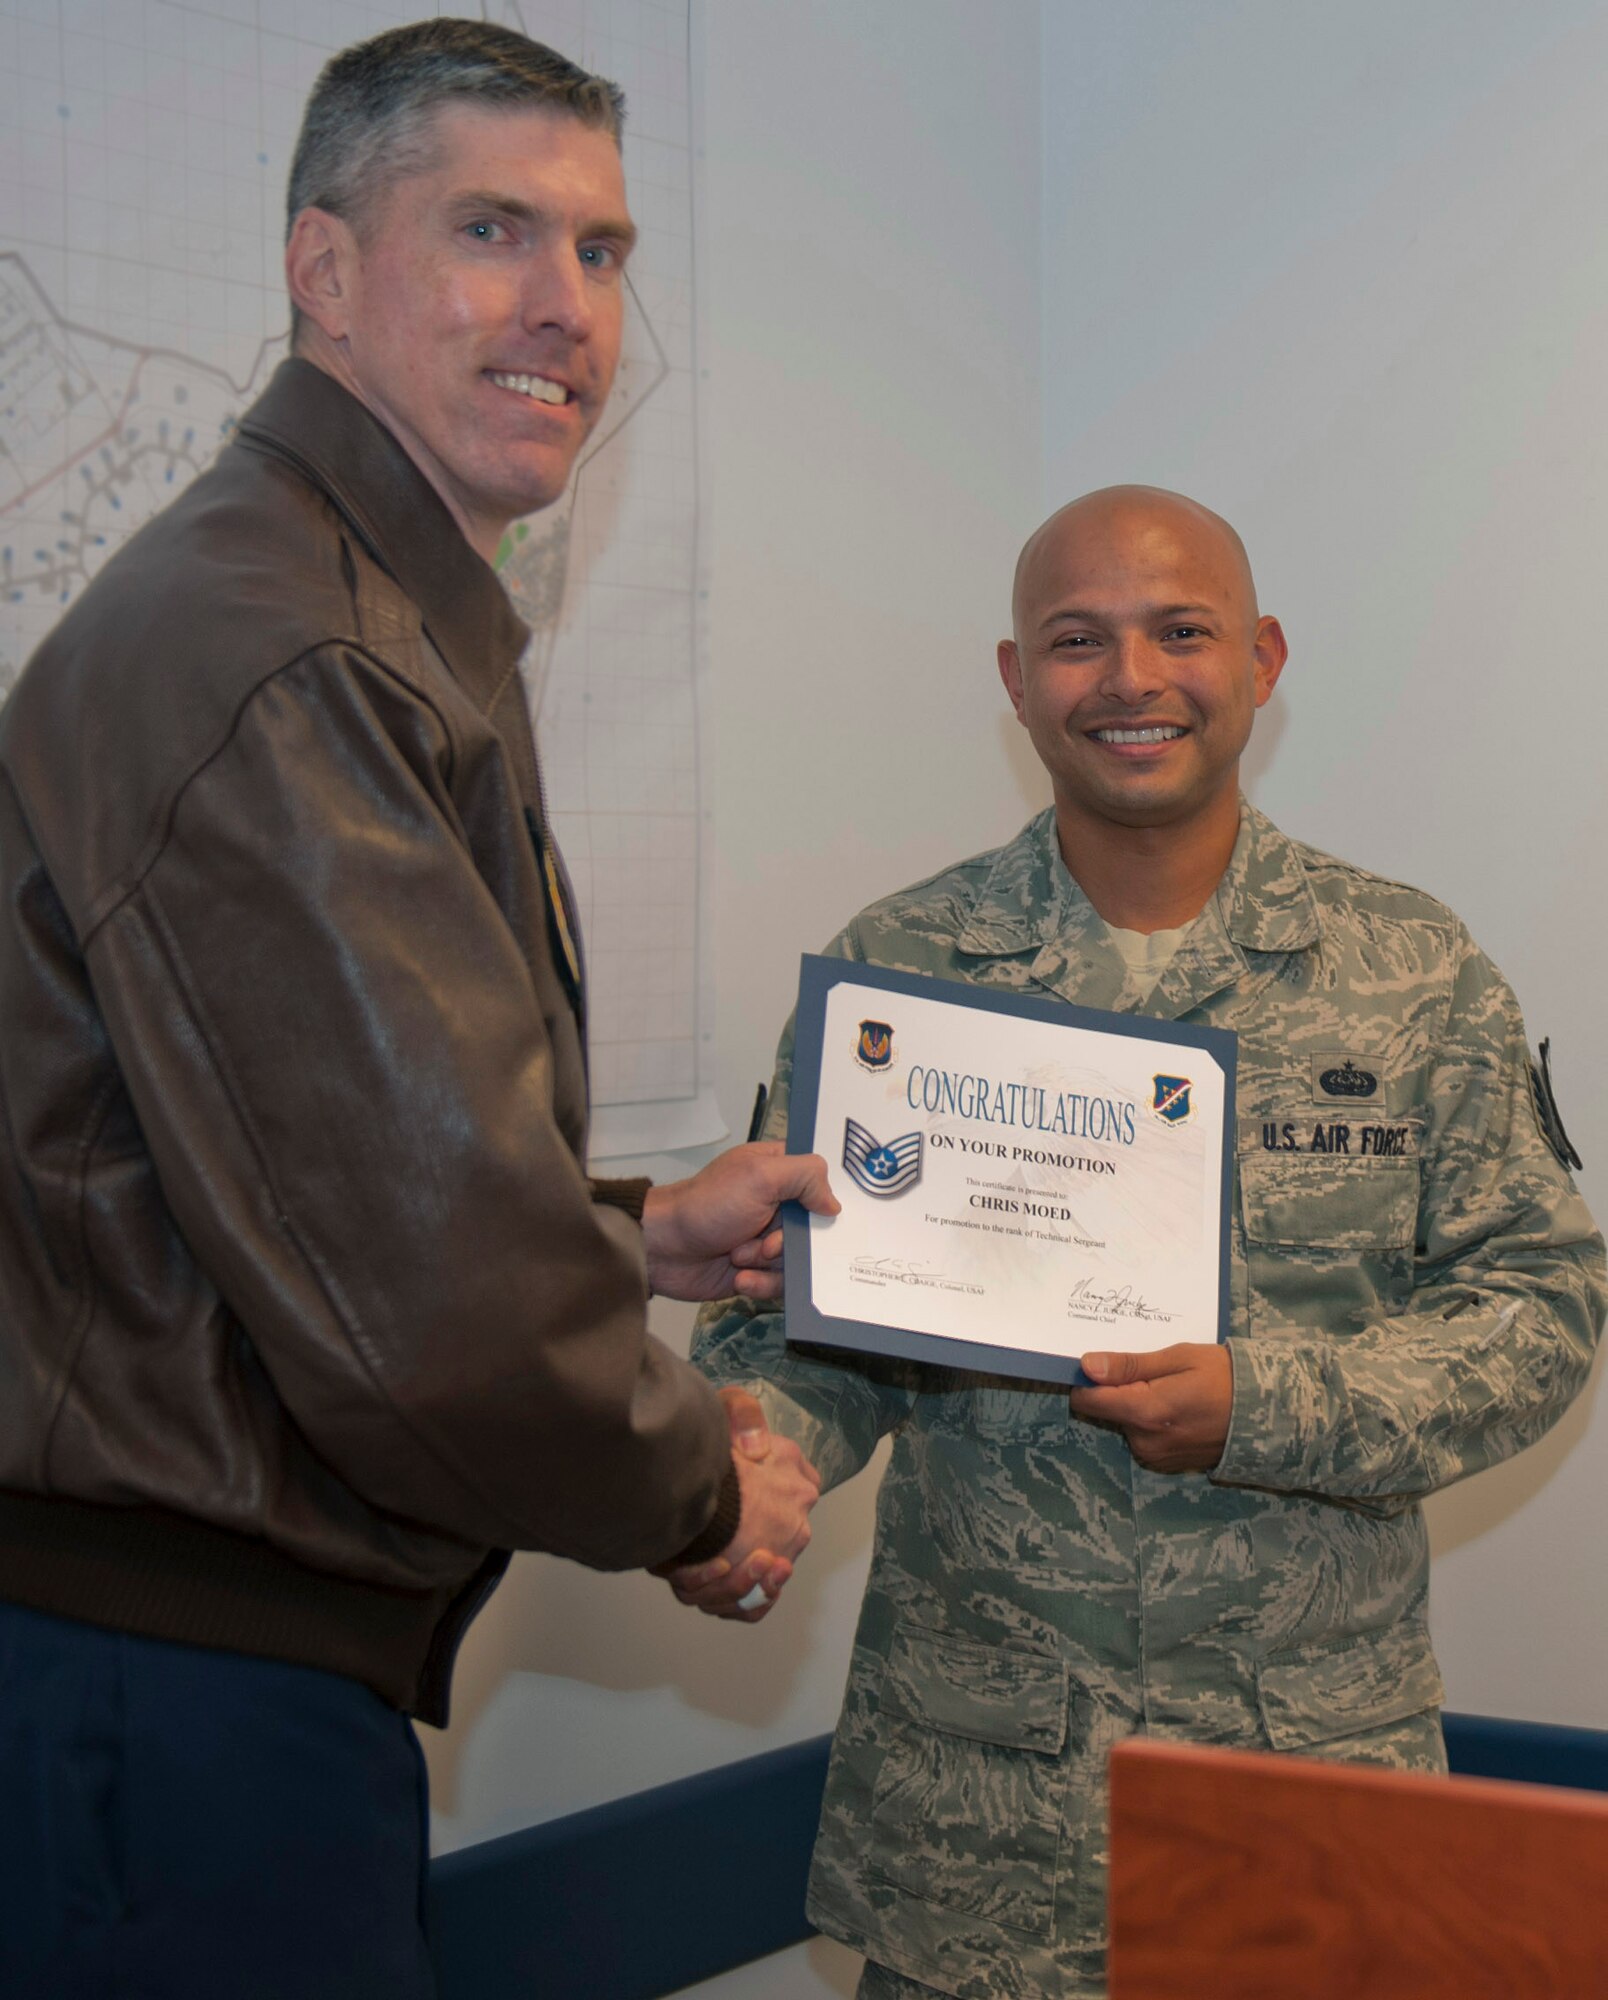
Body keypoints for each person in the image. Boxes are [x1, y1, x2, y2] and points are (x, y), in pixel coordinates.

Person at [0, 20, 832, 1999]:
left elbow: (290, 1173)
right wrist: (698, 1487)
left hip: (177, 1684)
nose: (567, 309)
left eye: (606, 252)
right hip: (168, 1702)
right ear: (325, 274)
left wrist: (629, 1237)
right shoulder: (286, 644)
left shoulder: (340, 598)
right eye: (491, 230)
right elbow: (436, 1299)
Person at [678, 486, 1607, 1999]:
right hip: (982, 1811)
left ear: (1263, 658)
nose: (1132, 680)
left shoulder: (1414, 970)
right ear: (1012, 679)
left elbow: (1544, 1307)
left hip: (1307, 1786)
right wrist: (756, 1452)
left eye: (1182, 632)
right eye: (1076, 641)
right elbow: (790, 1314)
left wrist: (1266, 1406)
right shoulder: (894, 973)